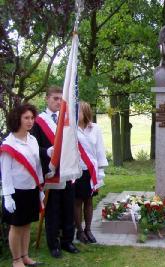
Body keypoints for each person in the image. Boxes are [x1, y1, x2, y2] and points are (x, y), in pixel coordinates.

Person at [31, 86, 79, 258]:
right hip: (50, 173)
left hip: (67, 171)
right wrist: (46, 152)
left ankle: (68, 241)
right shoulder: (38, 122)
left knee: (68, 207)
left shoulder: (66, 120)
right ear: (47, 99)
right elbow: (33, 147)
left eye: (61, 99)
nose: (59, 102)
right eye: (55, 98)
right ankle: (54, 244)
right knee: (53, 209)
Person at [1, 104, 44, 267]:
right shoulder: (8, 145)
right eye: (26, 118)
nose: (30, 121)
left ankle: (25, 256)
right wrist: (7, 197)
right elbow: (5, 173)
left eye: (32, 118)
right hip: (16, 192)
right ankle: (16, 260)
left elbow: (37, 165)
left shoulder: (32, 140)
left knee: (26, 225)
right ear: (17, 119)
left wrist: (40, 188)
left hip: (31, 189)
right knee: (16, 227)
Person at [75, 101, 108, 243]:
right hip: (77, 171)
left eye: (79, 111)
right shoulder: (70, 129)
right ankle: (79, 231)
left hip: (91, 171)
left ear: (86, 112)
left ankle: (88, 229)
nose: (76, 114)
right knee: (77, 202)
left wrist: (101, 171)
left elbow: (100, 150)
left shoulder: (95, 128)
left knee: (89, 200)